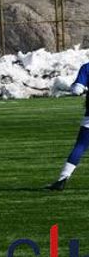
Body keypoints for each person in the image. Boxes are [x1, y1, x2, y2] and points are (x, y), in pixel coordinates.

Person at [48, 61, 89, 190]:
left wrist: (73, 88)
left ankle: (63, 179)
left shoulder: (87, 67)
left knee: (80, 146)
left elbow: (77, 90)